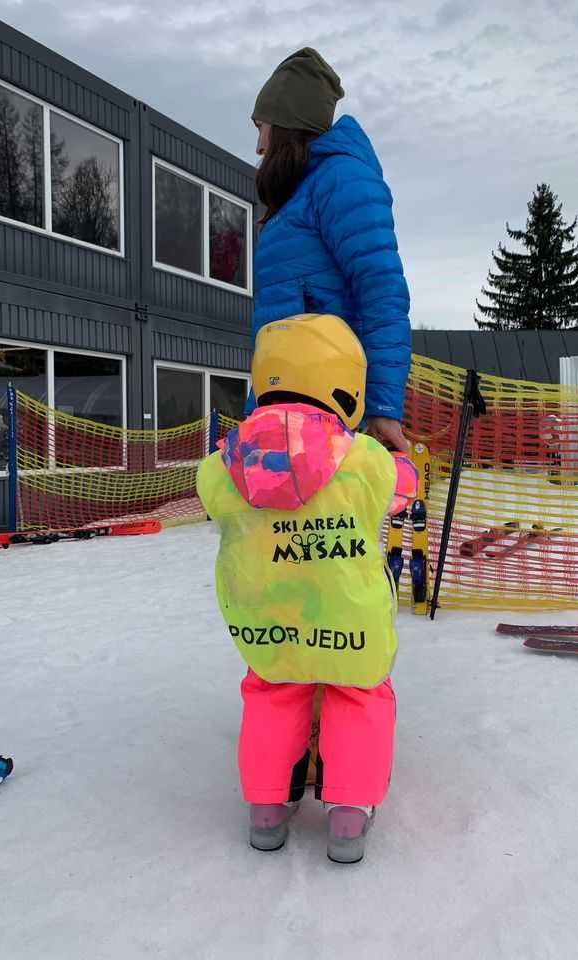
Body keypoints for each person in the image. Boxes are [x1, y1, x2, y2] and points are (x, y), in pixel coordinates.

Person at [197, 313, 417, 863]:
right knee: (358, 697)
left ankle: (267, 812)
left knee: (273, 696)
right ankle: (347, 818)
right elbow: (405, 488)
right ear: (345, 385)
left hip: (269, 624)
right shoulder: (366, 461)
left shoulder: (219, 468)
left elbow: (212, 503)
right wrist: (400, 454)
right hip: (350, 622)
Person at [248, 46, 411, 453]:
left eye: (261, 127)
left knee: (327, 517)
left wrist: (383, 405)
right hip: (282, 405)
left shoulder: (342, 178)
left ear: (287, 124)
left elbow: (381, 290)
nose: (258, 145)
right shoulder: (297, 193)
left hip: (327, 410)